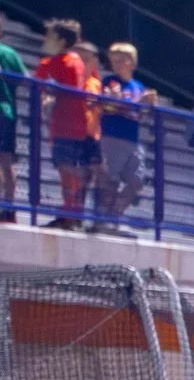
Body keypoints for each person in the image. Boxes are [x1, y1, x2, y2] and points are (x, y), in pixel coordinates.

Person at [33, 21, 96, 227]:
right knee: (67, 169)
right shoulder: (71, 61)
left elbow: (44, 84)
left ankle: (70, 214)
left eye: (49, 36)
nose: (45, 41)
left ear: (60, 41)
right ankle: (71, 213)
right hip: (68, 125)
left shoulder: (61, 62)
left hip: (66, 124)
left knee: (66, 168)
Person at [94, 43, 156, 224]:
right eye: (114, 59)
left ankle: (115, 213)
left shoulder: (138, 85)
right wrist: (136, 102)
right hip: (112, 135)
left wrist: (150, 105)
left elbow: (142, 115)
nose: (117, 63)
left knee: (137, 180)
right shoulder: (109, 82)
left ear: (132, 62)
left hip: (132, 138)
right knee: (110, 180)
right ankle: (103, 219)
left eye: (122, 59)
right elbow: (107, 106)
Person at [0, 30, 24, 218]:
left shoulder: (5, 53)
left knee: (6, 160)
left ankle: (8, 205)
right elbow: (23, 78)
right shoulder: (10, 53)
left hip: (3, 109)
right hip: (6, 111)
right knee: (6, 159)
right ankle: (9, 206)